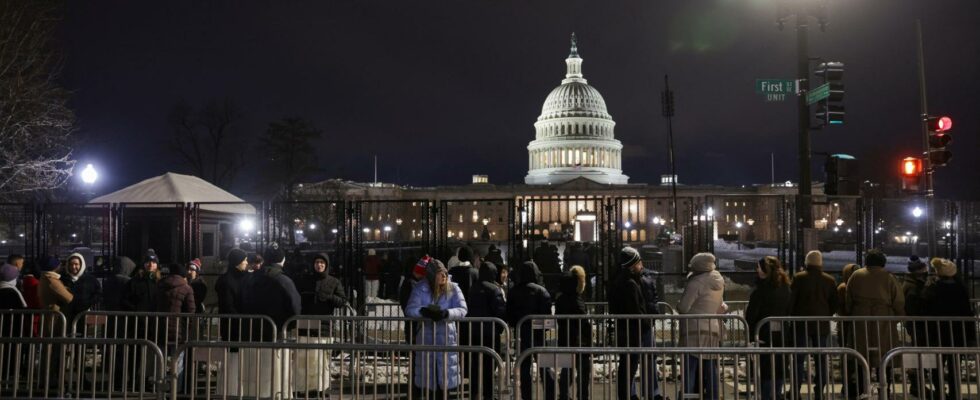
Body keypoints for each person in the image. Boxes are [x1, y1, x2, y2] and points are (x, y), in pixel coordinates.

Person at [405, 257, 468, 398]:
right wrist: (423, 312)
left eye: (445, 272)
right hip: (426, 340)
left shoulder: (453, 288)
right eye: (440, 273)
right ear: (433, 275)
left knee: (446, 383)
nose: (444, 275)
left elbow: (463, 309)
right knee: (428, 383)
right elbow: (410, 309)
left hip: (447, 340)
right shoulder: (420, 289)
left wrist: (447, 313)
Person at [844, 249, 904, 398]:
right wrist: (899, 315)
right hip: (883, 320)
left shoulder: (856, 276)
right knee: (885, 357)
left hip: (860, 320)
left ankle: (861, 390)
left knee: (860, 356)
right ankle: (885, 389)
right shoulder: (889, 277)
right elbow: (899, 301)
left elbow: (848, 299)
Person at [921, 258, 975, 399]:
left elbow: (925, 307)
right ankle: (955, 393)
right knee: (955, 367)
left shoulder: (934, 288)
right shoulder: (961, 289)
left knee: (936, 366)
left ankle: (939, 392)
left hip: (937, 334)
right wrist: (970, 337)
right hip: (957, 334)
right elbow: (967, 312)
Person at [789, 250, 838, 400]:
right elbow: (834, 304)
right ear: (820, 262)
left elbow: (792, 301)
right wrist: (826, 315)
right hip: (821, 325)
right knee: (821, 359)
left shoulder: (799, 278)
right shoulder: (829, 280)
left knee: (798, 359)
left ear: (807, 262)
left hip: (801, 324)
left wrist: (791, 316)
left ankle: (795, 390)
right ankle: (819, 390)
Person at [609, 246, 656, 400]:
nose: (641, 265)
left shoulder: (620, 280)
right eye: (638, 262)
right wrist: (646, 323)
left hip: (627, 329)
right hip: (633, 331)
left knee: (627, 366)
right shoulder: (630, 284)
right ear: (632, 265)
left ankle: (627, 395)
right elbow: (636, 310)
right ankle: (626, 396)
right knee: (629, 367)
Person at [677, 252, 725, 400]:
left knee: (689, 371)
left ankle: (688, 397)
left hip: (694, 331)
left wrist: (678, 304)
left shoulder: (696, 282)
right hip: (712, 329)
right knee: (711, 370)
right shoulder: (718, 279)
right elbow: (720, 306)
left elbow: (683, 308)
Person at [744, 256, 792, 400]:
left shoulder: (760, 291)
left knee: (764, 370)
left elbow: (751, 315)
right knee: (779, 368)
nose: (756, 270)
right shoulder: (785, 288)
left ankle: (766, 396)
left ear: (765, 270)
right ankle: (776, 394)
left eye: (758, 267)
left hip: (763, 334)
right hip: (782, 334)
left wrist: (752, 335)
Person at [507, 261, 554, 400]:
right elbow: (547, 315)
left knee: (524, 369)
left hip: (521, 334)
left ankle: (526, 397)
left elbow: (510, 314)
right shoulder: (541, 291)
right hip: (538, 335)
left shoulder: (513, 291)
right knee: (545, 368)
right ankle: (549, 396)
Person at [240, 244, 302, 338]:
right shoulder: (284, 281)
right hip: (278, 332)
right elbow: (295, 307)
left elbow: (243, 301)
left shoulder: (251, 278)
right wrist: (289, 326)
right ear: (283, 260)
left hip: (252, 332)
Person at [466, 261, 507, 400]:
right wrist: (499, 329)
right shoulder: (494, 289)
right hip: (490, 333)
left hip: (474, 332)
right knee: (489, 366)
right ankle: (488, 395)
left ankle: (474, 393)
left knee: (475, 365)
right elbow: (500, 311)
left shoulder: (473, 288)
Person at [555, 265, 592, 400]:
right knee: (583, 372)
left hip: (565, 339)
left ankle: (564, 395)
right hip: (579, 341)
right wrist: (589, 339)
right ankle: (582, 396)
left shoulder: (560, 299)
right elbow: (584, 323)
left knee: (567, 369)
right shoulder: (577, 301)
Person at [215, 248, 249, 341]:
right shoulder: (227, 281)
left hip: (240, 325)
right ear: (238, 262)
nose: (246, 263)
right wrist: (242, 319)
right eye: (244, 260)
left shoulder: (242, 277)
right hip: (232, 326)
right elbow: (227, 305)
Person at [61, 252, 102, 326]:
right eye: (71, 264)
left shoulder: (90, 279)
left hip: (84, 315)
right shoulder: (63, 279)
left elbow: (98, 294)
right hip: (67, 316)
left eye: (76, 264)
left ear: (81, 265)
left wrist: (88, 303)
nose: (73, 267)